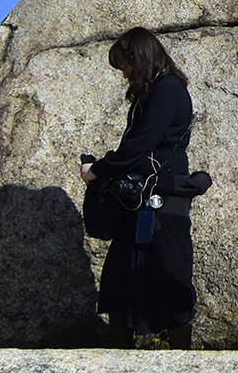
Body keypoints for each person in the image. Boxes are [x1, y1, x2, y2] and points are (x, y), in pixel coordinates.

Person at [82, 27, 197, 348]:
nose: (125, 75)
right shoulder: (157, 91)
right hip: (141, 204)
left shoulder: (168, 90)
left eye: (127, 66)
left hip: (163, 203)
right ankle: (121, 358)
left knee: (172, 283)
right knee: (120, 283)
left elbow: (140, 146)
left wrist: (98, 171)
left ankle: (184, 363)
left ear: (141, 59)